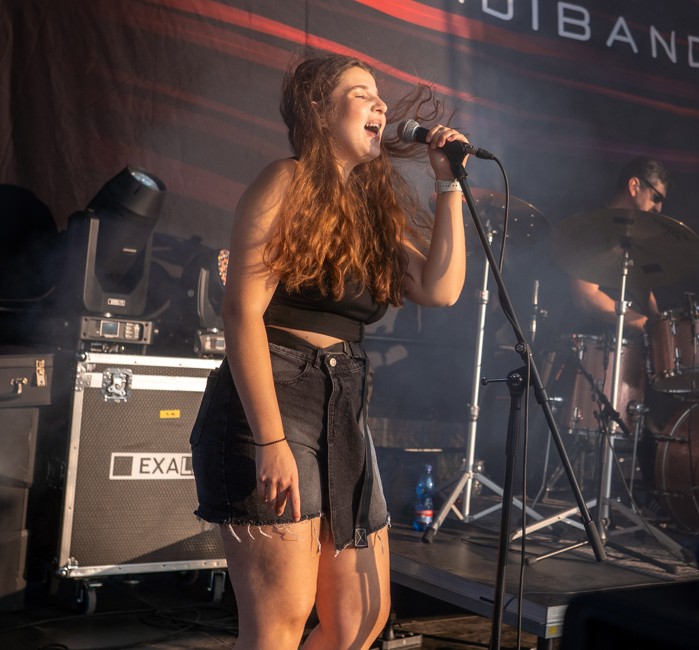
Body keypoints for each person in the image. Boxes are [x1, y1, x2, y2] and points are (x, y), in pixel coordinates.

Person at [189, 52, 468, 650]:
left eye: (380, 95)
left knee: (360, 618)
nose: (381, 104)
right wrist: (270, 442)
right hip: (276, 397)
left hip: (344, 406)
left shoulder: (370, 211)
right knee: (280, 621)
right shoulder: (284, 180)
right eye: (362, 93)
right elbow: (241, 314)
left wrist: (448, 182)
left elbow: (441, 288)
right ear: (318, 110)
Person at [568, 156, 669, 334]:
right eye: (656, 197)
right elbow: (586, 296)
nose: (659, 208)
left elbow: (643, 291)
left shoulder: (638, 239)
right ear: (634, 186)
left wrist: (660, 324)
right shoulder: (593, 228)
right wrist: (645, 325)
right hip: (596, 341)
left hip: (634, 345)